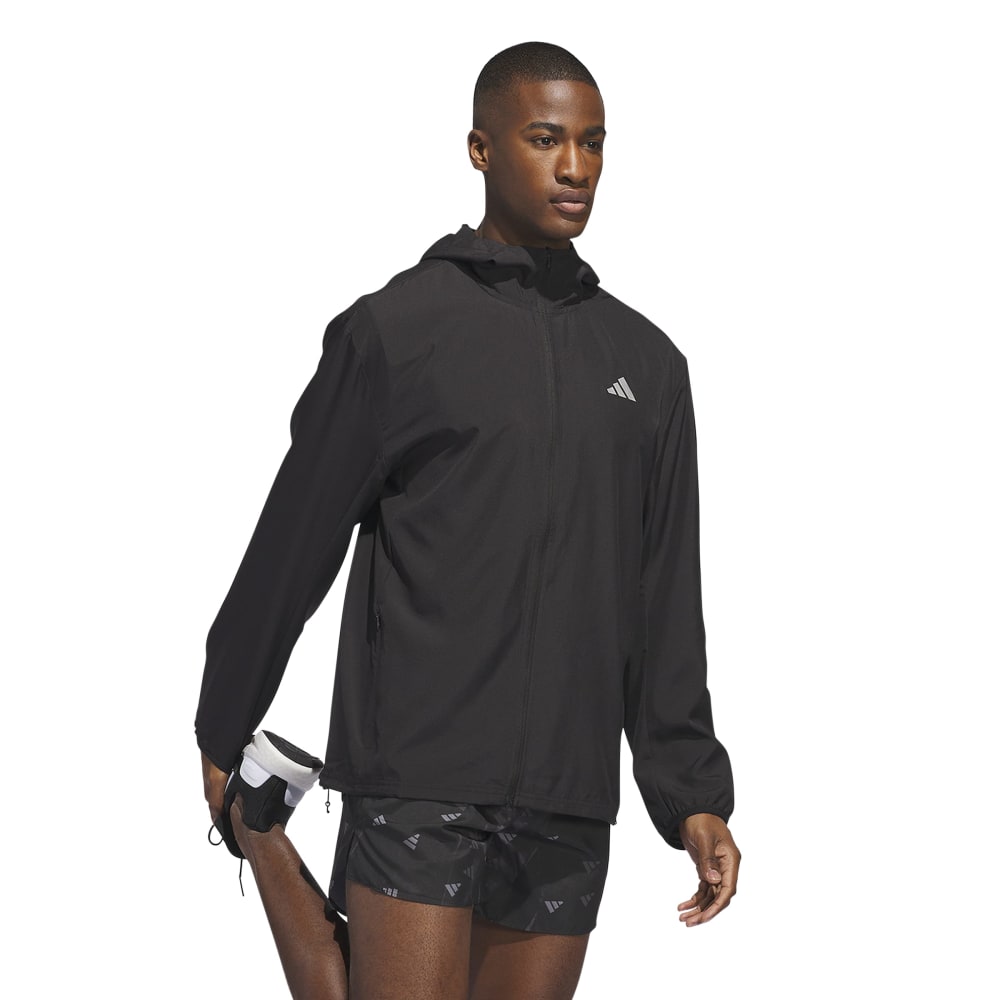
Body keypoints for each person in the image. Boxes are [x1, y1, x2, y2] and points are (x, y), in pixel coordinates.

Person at [197, 40, 740, 1000]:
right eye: (545, 138)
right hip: (420, 770)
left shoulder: (648, 366)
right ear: (481, 149)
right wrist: (223, 717)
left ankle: (260, 819)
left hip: (568, 788)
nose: (574, 166)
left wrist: (692, 796)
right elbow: (294, 542)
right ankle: (259, 824)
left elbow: (663, 598)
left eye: (593, 143)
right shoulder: (397, 331)